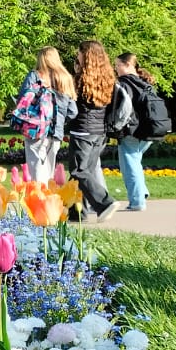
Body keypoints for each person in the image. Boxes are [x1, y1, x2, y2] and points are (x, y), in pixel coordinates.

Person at [67, 41, 120, 222]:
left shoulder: (81, 79)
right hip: (99, 131)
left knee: (78, 171)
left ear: (86, 56)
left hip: (83, 130)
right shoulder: (107, 77)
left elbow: (73, 104)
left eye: (79, 54)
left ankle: (104, 202)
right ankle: (76, 213)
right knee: (84, 172)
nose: (77, 57)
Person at [112, 53, 170, 211]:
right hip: (149, 129)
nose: (116, 69)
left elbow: (123, 109)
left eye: (118, 65)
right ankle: (141, 193)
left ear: (128, 65)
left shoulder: (124, 84)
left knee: (129, 166)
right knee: (135, 162)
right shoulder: (145, 83)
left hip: (132, 130)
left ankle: (137, 201)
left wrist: (115, 126)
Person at [12, 48, 77, 183]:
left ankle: (40, 195)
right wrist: (60, 120)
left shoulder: (35, 76)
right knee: (48, 171)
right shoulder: (65, 78)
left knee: (36, 171)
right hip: (56, 132)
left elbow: (22, 101)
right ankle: (48, 195)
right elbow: (73, 111)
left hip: (35, 128)